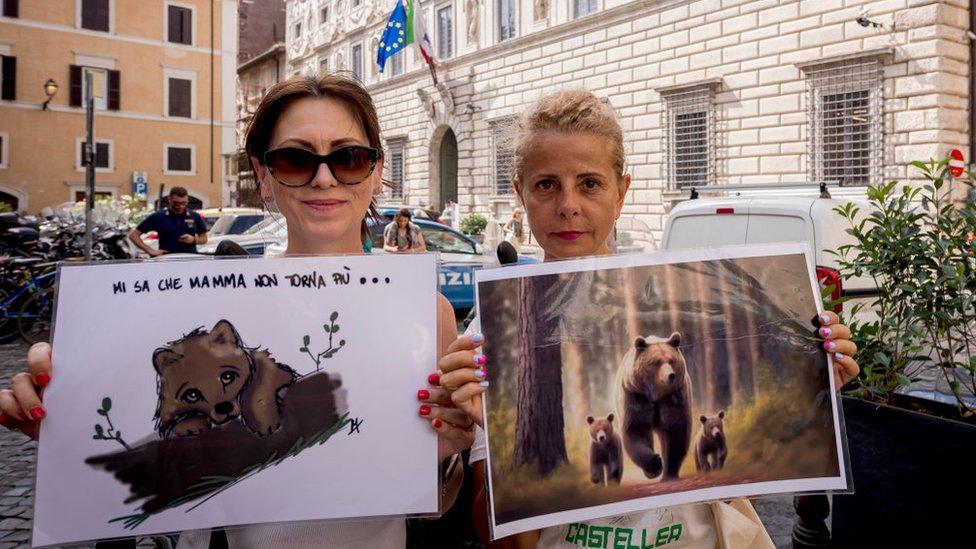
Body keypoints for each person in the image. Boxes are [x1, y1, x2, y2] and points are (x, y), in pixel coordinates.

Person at [0, 74, 474, 548]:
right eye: (295, 158)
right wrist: (73, 424)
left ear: (375, 170)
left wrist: (445, 453)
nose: (324, 177)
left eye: (348, 158)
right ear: (264, 174)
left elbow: (437, 502)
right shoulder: (197, 307)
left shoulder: (424, 311)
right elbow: (151, 455)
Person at [424, 91, 862, 548]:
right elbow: (495, 537)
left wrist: (806, 390)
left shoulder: (683, 303)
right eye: (546, 184)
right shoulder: (495, 331)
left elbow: (741, 483)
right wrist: (498, 442)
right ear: (521, 193)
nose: (568, 204)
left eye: (590, 183)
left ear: (622, 192)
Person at [128, 187, 208, 256]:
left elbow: (204, 239)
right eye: (176, 203)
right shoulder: (158, 216)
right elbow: (133, 235)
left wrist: (193, 239)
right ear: (169, 199)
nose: (180, 206)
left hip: (190, 258)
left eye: (184, 203)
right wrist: (150, 250)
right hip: (166, 259)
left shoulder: (194, 216)